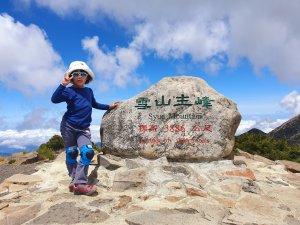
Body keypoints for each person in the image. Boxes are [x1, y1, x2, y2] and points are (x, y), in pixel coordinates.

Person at [51, 61, 119, 196]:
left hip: (83, 128)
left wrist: (108, 106)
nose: (80, 76)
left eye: (83, 73)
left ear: (87, 77)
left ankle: (79, 183)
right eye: (75, 74)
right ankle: (75, 179)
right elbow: (54, 99)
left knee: (88, 153)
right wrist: (63, 84)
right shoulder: (68, 91)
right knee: (71, 153)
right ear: (71, 77)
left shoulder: (88, 91)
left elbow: (93, 104)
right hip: (68, 126)